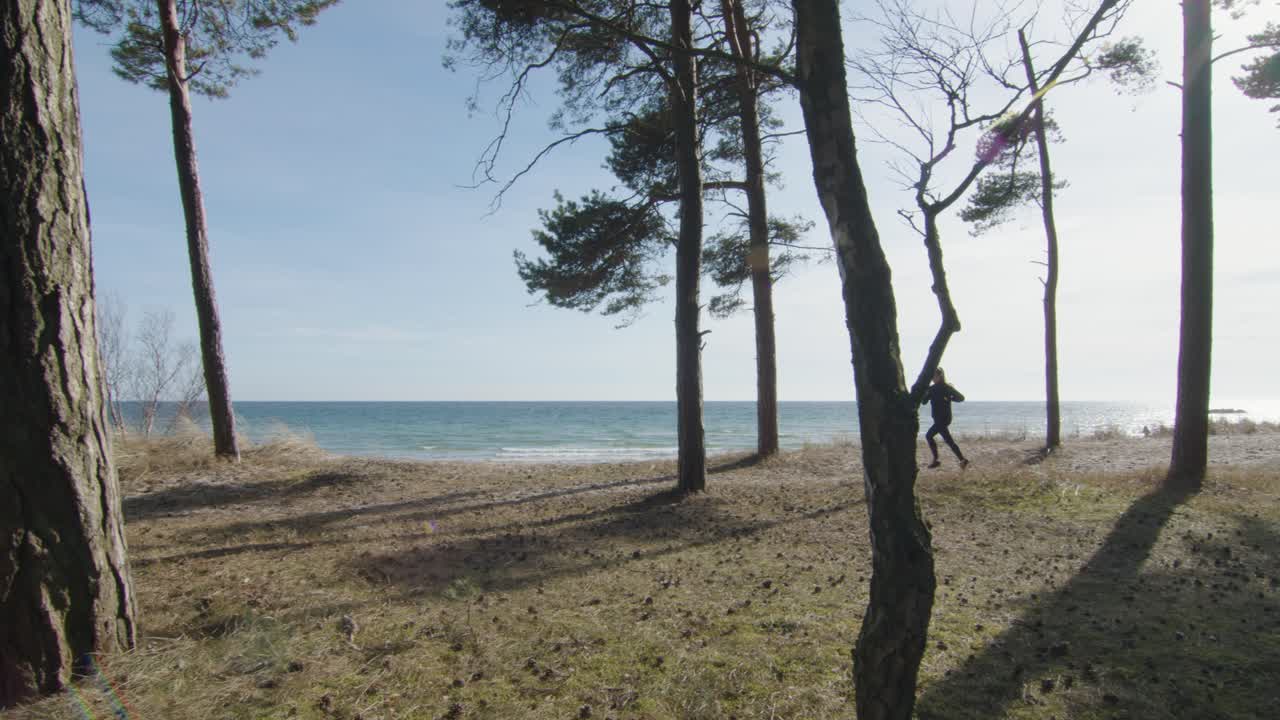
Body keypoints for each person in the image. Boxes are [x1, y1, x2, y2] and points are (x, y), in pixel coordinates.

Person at [921, 367, 969, 469]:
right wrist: (925, 391)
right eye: (932, 376)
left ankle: (936, 460)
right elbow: (924, 402)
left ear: (940, 376)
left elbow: (961, 398)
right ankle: (962, 460)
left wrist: (949, 398)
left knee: (929, 436)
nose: (932, 378)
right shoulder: (932, 389)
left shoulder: (946, 387)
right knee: (948, 440)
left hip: (943, 418)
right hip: (939, 419)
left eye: (934, 376)